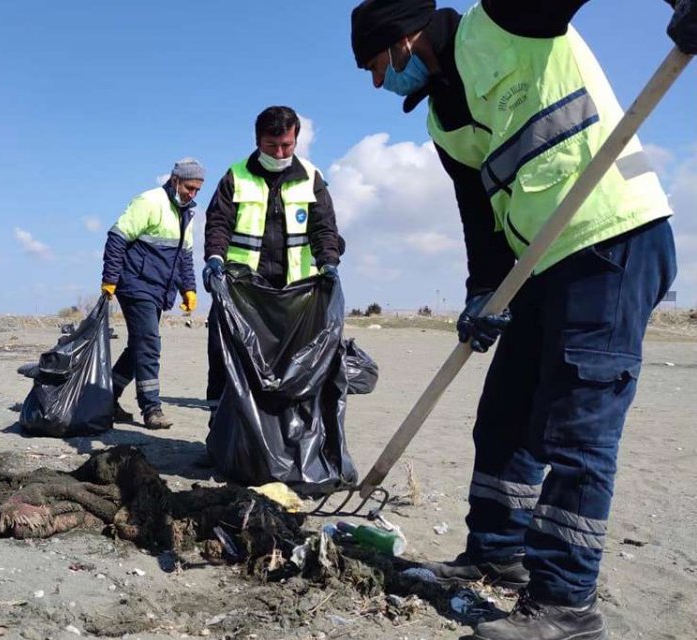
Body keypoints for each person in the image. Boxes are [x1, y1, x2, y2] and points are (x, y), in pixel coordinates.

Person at [349, 1, 692, 638]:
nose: (377, 82)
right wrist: (484, 293)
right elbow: (479, 218)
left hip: (612, 236)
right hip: (536, 265)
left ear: (402, 38)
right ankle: (496, 554)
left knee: (576, 428)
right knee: (504, 415)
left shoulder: (503, 19)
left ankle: (566, 606)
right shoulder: (442, 121)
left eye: (375, 65)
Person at [201, 106, 345, 406]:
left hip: (293, 293)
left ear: (296, 140)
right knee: (224, 351)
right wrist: (214, 257)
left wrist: (329, 262)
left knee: (289, 360)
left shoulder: (311, 177)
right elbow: (218, 222)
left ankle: (284, 427)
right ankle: (220, 419)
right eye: (271, 146)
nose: (279, 153)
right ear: (257, 141)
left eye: (286, 145)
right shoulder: (235, 176)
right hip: (242, 289)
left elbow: (324, 229)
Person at [100, 158, 204, 430]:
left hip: (159, 289)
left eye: (197, 190)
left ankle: (106, 397)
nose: (191, 194)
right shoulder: (149, 201)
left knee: (138, 346)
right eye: (189, 188)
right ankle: (151, 407)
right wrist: (110, 279)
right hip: (134, 283)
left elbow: (185, 257)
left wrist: (189, 288)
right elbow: (117, 238)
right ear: (175, 180)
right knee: (149, 343)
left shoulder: (187, 213)